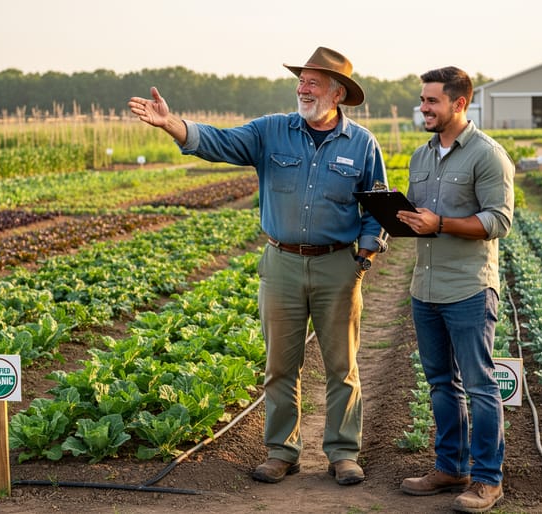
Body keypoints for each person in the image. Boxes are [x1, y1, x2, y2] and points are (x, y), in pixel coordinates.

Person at [128, 46, 388, 486]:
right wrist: (173, 124)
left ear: (338, 93)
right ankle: (280, 451)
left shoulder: (362, 143)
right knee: (280, 365)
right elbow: (219, 142)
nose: (302, 89)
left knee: (341, 366)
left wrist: (364, 255)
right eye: (301, 80)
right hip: (282, 263)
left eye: (313, 82)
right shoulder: (271, 131)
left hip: (337, 267)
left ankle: (343, 453)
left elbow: (377, 206)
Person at [394, 66, 514, 513]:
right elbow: (420, 215)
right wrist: (398, 217)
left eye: (431, 101)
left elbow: (498, 221)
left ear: (459, 103)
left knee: (481, 387)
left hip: (468, 289)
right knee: (441, 384)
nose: (423, 108)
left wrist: (440, 223)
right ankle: (450, 467)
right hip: (424, 287)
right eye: (422, 100)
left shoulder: (488, 155)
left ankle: (487, 480)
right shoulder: (422, 156)